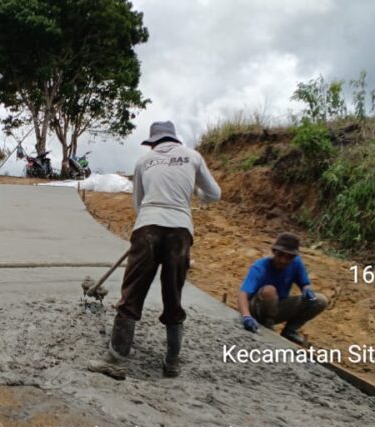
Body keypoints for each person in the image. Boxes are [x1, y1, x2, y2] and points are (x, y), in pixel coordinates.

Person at [109, 121, 221, 377]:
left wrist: (147, 229)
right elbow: (215, 194)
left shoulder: (143, 161)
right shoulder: (193, 157)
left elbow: (138, 203)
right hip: (180, 231)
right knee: (173, 293)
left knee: (132, 292)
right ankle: (172, 362)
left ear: (153, 142)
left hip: (147, 227)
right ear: (174, 139)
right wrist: (196, 197)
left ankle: (117, 357)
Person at [237, 232, 328, 345]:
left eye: (288, 257)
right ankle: (266, 324)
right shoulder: (260, 267)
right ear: (274, 252)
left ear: (294, 257)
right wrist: (246, 316)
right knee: (269, 290)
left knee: (319, 300)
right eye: (280, 255)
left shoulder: (296, 264)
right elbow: (243, 294)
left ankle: (290, 330)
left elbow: (304, 283)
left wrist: (306, 288)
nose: (283, 260)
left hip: (278, 307)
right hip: (257, 309)